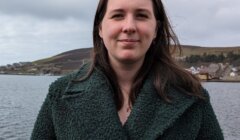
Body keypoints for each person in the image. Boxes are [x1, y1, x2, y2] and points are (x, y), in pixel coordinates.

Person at [31, 0, 224, 139]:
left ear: (156, 29)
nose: (129, 26)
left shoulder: (191, 96)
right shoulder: (61, 94)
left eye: (141, 15)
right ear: (100, 28)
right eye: (118, 15)